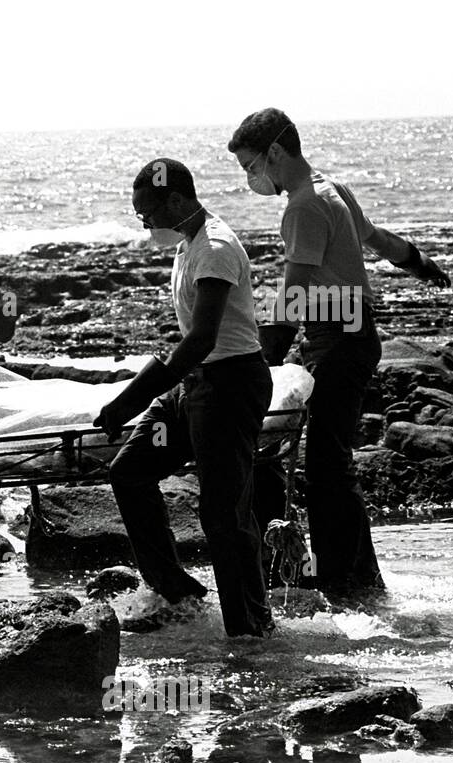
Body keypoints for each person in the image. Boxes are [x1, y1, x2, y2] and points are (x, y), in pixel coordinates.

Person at [227, 108, 451, 600]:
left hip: (337, 340)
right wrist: (421, 263)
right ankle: (356, 576)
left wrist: (263, 365)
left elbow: (292, 297)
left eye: (251, 166)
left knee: (328, 466)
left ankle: (346, 581)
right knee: (332, 462)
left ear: (276, 152)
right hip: (350, 337)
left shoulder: (304, 206)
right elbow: (378, 239)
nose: (251, 178)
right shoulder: (334, 188)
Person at [94, 158, 274, 639]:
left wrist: (131, 400)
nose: (145, 222)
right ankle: (178, 591)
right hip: (195, 385)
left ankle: (250, 631)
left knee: (223, 513)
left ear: (175, 200)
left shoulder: (214, 248)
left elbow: (202, 339)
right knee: (129, 472)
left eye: (146, 212)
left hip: (230, 385)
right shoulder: (187, 245)